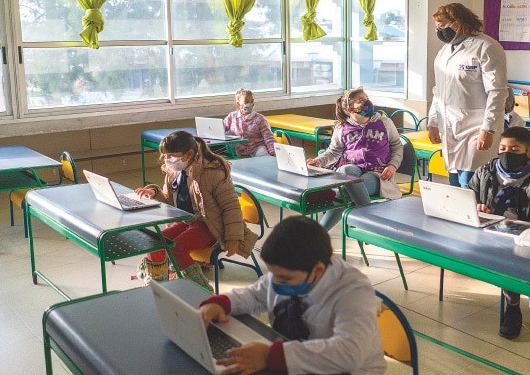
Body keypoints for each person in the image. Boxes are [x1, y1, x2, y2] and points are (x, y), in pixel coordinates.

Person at [198, 216, 387, 375]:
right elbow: (255, 295)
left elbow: (348, 354)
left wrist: (269, 356)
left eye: (285, 278)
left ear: (318, 270)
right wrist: (221, 303)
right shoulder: (289, 270)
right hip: (297, 359)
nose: (276, 283)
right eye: (274, 274)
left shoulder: (353, 292)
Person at [134, 130, 258, 290]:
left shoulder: (212, 172)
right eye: (165, 155)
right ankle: (158, 287)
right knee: (155, 243)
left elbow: (231, 207)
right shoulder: (173, 171)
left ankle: (200, 291)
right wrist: (154, 193)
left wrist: (233, 239)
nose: (167, 159)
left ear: (189, 154)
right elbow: (169, 201)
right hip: (188, 220)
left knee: (178, 248)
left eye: (172, 155)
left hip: (211, 225)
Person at [467, 126, 530, 339]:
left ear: (528, 153)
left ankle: (521, 303)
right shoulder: (485, 172)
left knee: (514, 256)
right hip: (486, 234)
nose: (507, 153)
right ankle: (515, 302)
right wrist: (478, 208)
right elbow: (468, 198)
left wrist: (509, 223)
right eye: (503, 148)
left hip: (522, 238)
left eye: (514, 149)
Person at [427, 2, 508, 188]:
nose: (440, 31)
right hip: (450, 125)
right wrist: (432, 122)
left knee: (470, 182)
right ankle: (458, 217)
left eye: (443, 26)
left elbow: (497, 92)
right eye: (437, 28)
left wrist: (488, 129)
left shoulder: (486, 47)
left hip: (477, 126)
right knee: (454, 181)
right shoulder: (443, 52)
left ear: (460, 22)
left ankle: (478, 217)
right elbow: (437, 91)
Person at [307, 88, 404, 230]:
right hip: (353, 170)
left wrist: (393, 166)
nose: (367, 102)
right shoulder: (342, 127)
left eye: (367, 98)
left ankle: (317, 234)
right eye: (361, 100)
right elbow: (333, 152)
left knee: (345, 193)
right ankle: (370, 223)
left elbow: (397, 146)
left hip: (378, 175)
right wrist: (319, 161)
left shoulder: (385, 123)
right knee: (346, 171)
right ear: (350, 109)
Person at [223, 88, 277, 158]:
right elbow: (221, 129)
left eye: (252, 101)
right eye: (246, 102)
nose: (250, 104)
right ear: (238, 103)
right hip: (239, 151)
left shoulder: (259, 119)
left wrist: (273, 152)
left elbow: (268, 137)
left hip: (257, 148)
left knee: (264, 158)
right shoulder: (232, 116)